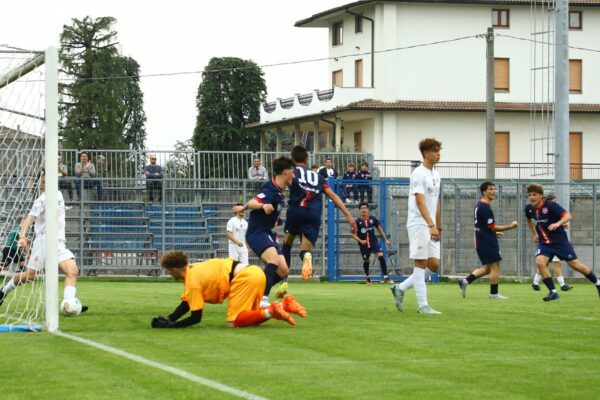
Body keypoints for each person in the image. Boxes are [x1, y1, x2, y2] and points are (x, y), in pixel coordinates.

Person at [0, 170, 88, 311]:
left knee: (72, 271)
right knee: (30, 276)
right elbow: (29, 219)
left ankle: (69, 303)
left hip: (59, 243)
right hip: (43, 242)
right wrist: (22, 237)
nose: (44, 183)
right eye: (43, 180)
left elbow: (56, 209)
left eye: (47, 180)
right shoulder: (41, 200)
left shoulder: (59, 195)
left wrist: (65, 208)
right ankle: (4, 290)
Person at [151, 251, 307, 328]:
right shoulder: (194, 270)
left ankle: (272, 310)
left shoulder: (192, 281)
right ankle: (284, 306)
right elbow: (186, 303)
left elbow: (196, 317)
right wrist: (170, 318)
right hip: (256, 273)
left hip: (244, 277)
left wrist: (171, 326)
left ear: (174, 270)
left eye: (169, 271)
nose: (169, 274)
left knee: (234, 322)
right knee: (250, 319)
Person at [282, 146, 357, 292]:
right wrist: (349, 216)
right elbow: (333, 196)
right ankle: (307, 256)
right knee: (305, 250)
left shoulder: (292, 172)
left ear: (293, 159)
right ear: (306, 160)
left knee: (287, 245)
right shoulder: (318, 177)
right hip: (313, 215)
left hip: (295, 211)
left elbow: (281, 185)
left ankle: (284, 281)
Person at [233, 157, 295, 307]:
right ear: (286, 173)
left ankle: (255, 291)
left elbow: (249, 205)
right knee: (273, 260)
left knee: (283, 270)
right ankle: (263, 299)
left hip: (267, 232)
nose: (294, 176)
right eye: (293, 173)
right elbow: (253, 202)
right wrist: (262, 206)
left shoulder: (279, 192)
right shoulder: (270, 187)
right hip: (256, 232)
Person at [391, 138, 443, 315]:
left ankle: (401, 288)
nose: (439, 154)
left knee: (434, 264)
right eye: (435, 151)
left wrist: (438, 224)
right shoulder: (418, 174)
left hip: (431, 224)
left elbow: (434, 201)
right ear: (426, 154)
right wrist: (430, 224)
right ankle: (423, 306)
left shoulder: (436, 174)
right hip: (419, 223)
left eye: (439, 151)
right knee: (420, 263)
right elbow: (420, 202)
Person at [524, 183, 600, 301]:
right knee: (540, 262)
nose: (531, 197)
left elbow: (568, 216)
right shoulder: (528, 208)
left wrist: (558, 223)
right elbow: (528, 220)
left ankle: (598, 283)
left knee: (575, 265)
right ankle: (553, 292)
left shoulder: (551, 205)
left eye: (534, 194)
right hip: (545, 243)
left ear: (541, 195)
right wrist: (534, 234)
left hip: (560, 242)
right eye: (529, 195)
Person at [457, 181, 518, 299]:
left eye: (495, 189)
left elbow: (485, 226)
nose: (494, 191)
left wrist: (493, 233)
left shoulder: (480, 205)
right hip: (486, 241)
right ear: (484, 191)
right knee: (495, 267)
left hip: (482, 239)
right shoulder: (485, 207)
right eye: (490, 189)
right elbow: (492, 227)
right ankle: (494, 294)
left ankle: (465, 281)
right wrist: (510, 227)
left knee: (487, 268)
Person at [531, 194, 572, 292]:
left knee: (545, 264)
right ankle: (562, 285)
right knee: (552, 263)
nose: (556, 202)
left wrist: (562, 224)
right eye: (554, 200)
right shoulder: (545, 211)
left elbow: (561, 221)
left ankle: (535, 282)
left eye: (556, 200)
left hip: (555, 241)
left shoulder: (555, 211)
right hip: (550, 243)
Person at [351, 202, 393, 285]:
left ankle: (386, 277)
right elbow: (352, 234)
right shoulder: (357, 222)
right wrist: (360, 240)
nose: (364, 209)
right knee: (367, 260)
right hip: (364, 244)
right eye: (362, 208)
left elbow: (379, 229)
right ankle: (367, 276)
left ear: (368, 209)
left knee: (381, 256)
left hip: (373, 241)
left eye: (365, 208)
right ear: (359, 210)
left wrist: (385, 239)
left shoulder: (372, 219)